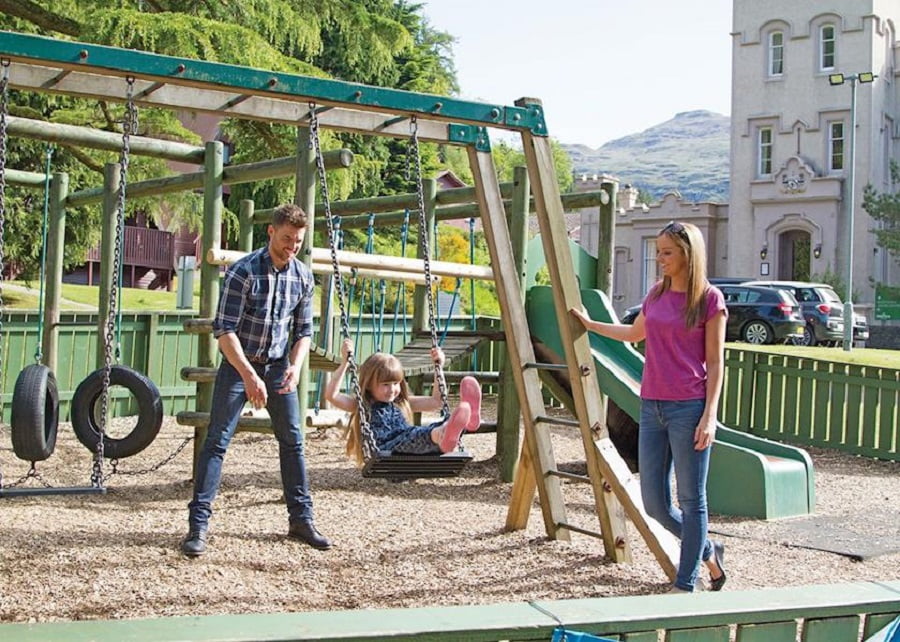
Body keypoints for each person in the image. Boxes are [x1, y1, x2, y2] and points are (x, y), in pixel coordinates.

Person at [570, 220, 728, 593]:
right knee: (654, 504)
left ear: (688, 255)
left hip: (689, 409)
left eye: (667, 252)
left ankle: (686, 582)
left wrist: (710, 416)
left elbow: (717, 363)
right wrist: (591, 325)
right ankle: (708, 551)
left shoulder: (709, 300)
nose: (659, 258)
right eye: (658, 251)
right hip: (651, 406)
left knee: (692, 500)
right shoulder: (656, 294)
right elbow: (633, 333)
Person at [181, 203, 331, 557]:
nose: (291, 246)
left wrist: (294, 366)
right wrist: (249, 375)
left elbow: (304, 332)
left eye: (297, 241)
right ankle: (197, 527)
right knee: (217, 441)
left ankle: (301, 520)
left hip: (279, 364)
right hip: (239, 363)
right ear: (271, 232)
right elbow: (224, 331)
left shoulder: (304, 277)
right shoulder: (243, 272)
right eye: (286, 239)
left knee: (293, 440)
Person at [325, 338, 482, 464]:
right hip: (389, 453)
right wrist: (345, 362)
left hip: (415, 449)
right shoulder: (363, 405)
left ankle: (466, 423)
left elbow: (436, 401)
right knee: (417, 434)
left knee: (439, 425)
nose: (392, 389)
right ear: (369, 386)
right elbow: (332, 396)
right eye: (385, 385)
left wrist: (438, 367)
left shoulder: (401, 403)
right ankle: (444, 434)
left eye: (396, 383)